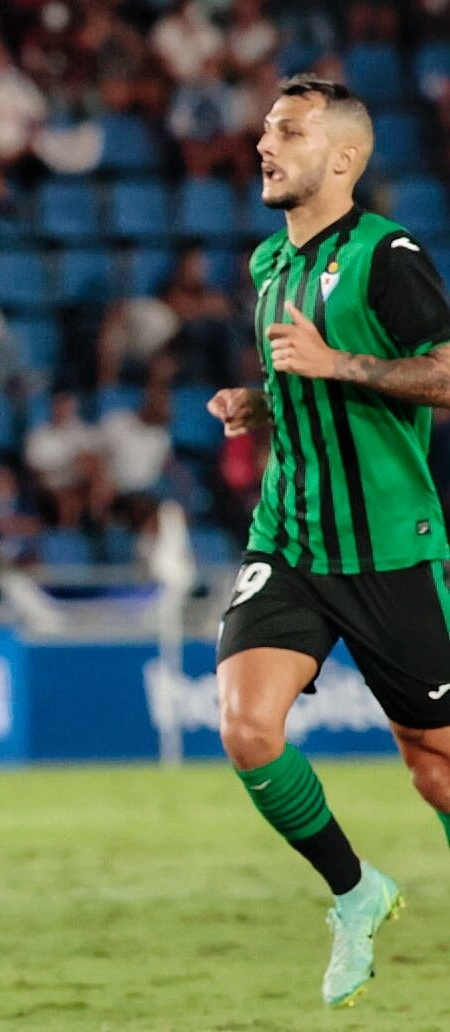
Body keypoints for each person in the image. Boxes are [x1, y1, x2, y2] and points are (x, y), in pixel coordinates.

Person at [207, 74, 450, 1009]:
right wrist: (260, 401)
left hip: (389, 546)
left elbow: (442, 373)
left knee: (435, 767)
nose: (266, 146)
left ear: (342, 158)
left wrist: (334, 362)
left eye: (290, 132)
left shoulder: (389, 253)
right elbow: (307, 384)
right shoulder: (270, 265)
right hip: (292, 537)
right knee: (245, 726)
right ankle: (357, 893)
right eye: (267, 129)